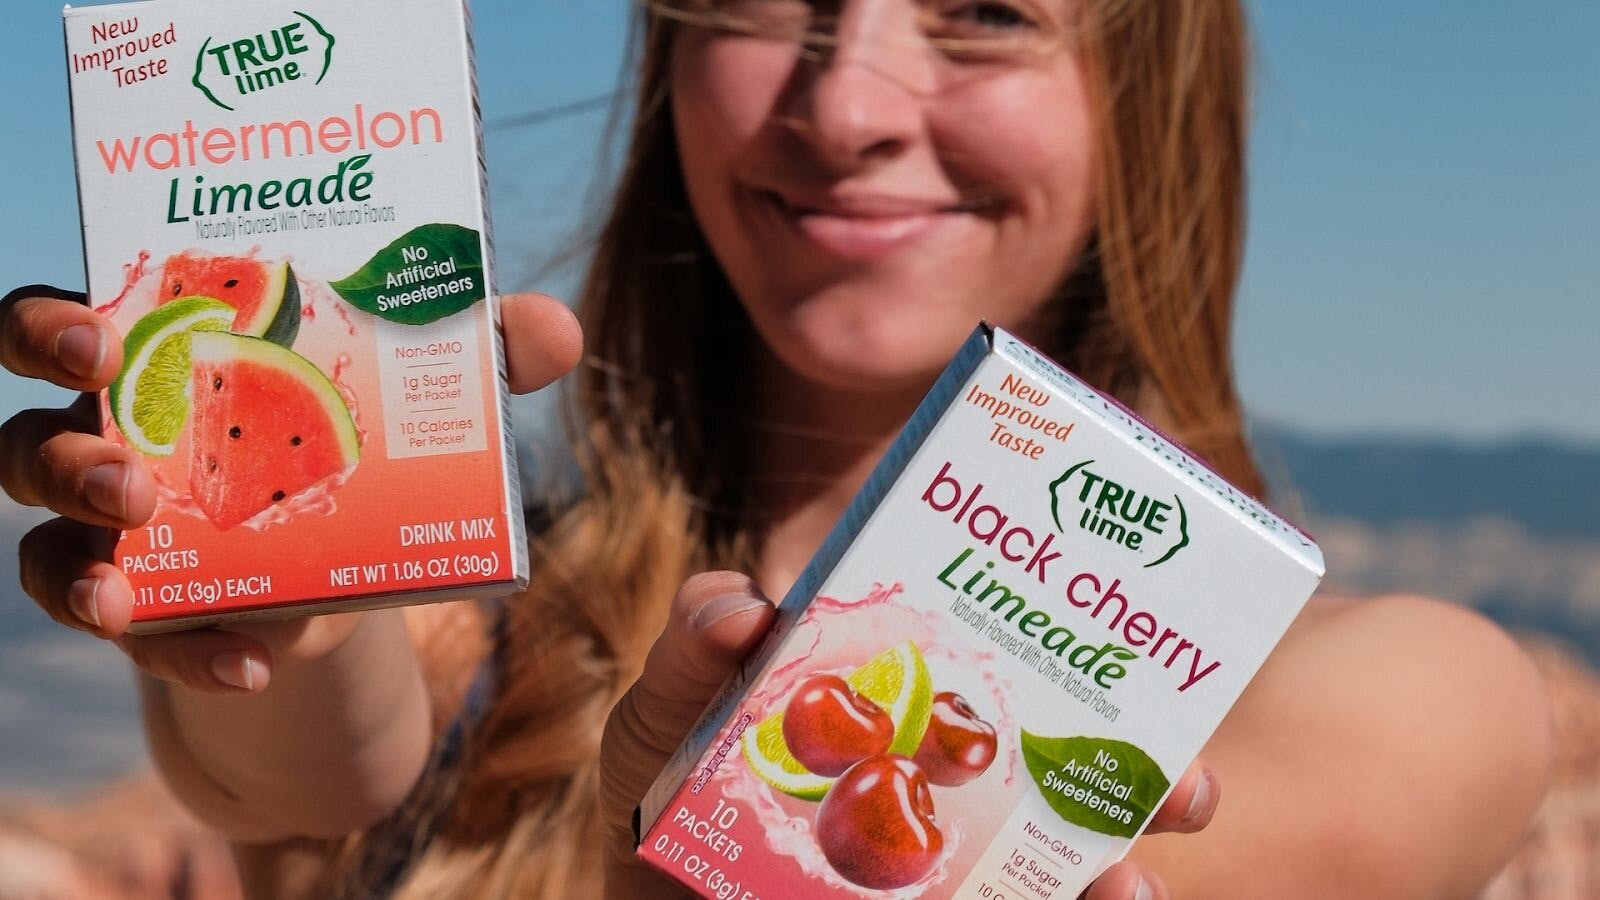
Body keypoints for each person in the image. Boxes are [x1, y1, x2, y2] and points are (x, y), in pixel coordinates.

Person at [1, 1, 1553, 897]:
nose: (846, 98)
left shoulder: (1397, 686)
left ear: (1144, 105)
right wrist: (281, 569)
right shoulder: (477, 638)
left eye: (987, 13)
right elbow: (303, 758)